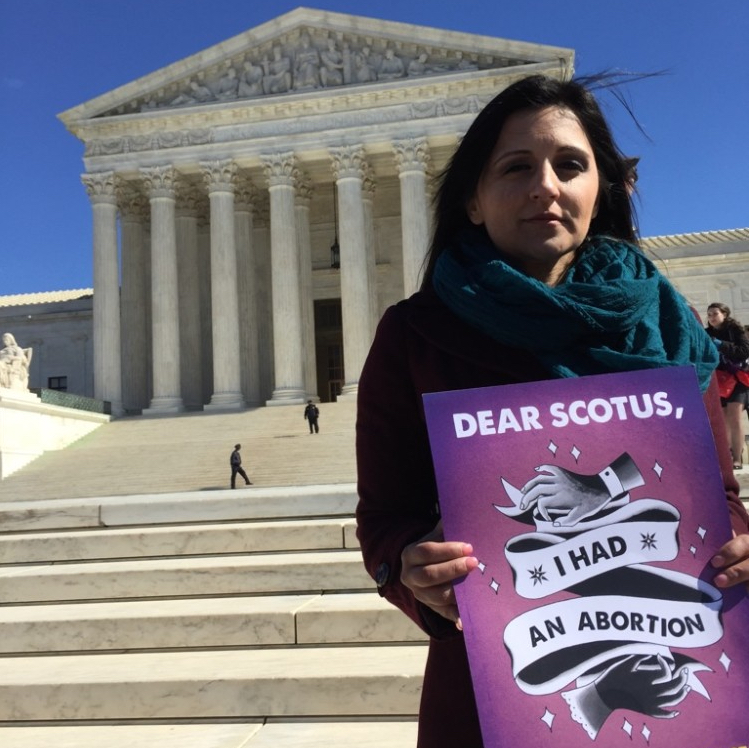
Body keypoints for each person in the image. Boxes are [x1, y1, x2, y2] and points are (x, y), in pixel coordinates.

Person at [355, 74, 749, 747]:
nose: (546, 184)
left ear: (601, 189)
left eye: (569, 164)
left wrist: (739, 546)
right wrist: (411, 567)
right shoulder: (416, 334)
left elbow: (710, 493)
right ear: (473, 202)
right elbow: (385, 518)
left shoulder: (663, 322)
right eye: (515, 167)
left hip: (676, 665)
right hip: (497, 683)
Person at [706, 302, 749, 469]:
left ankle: (737, 459)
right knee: (723, 418)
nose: (711, 317)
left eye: (715, 313)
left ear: (724, 313)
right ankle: (727, 455)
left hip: (738, 378)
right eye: (709, 315)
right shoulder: (706, 333)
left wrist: (720, 344)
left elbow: (744, 351)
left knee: (735, 417)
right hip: (719, 380)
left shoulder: (736, 330)